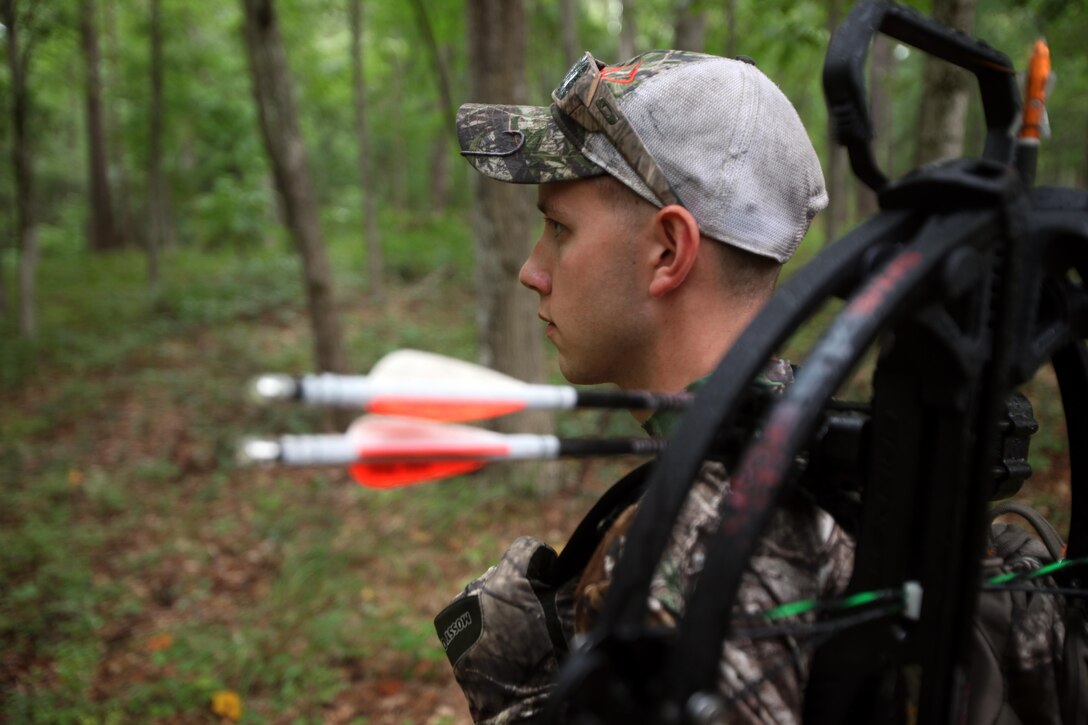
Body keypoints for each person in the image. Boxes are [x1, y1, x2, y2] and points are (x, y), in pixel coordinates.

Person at [433, 49, 855, 723]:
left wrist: (519, 700)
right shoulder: (814, 443)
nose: (531, 270)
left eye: (558, 228)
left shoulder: (696, 546)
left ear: (668, 252)